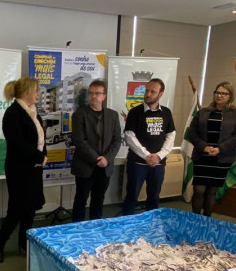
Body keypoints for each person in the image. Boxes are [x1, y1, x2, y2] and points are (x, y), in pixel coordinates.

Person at [0, 78, 47, 262]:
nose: (38, 94)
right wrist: (39, 157)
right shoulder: (12, 113)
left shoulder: (33, 112)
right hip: (19, 170)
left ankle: (24, 244)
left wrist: (43, 157)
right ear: (26, 92)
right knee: (15, 209)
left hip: (34, 168)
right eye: (36, 90)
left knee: (30, 209)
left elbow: (41, 139)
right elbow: (17, 144)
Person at [186, 81, 236, 217]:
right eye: (217, 93)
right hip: (202, 157)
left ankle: (207, 219)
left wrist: (220, 149)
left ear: (230, 96)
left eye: (224, 93)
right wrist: (204, 147)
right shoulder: (203, 112)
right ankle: (195, 219)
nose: (219, 96)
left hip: (221, 158)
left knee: (212, 191)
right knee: (199, 190)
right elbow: (192, 133)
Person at [121, 78, 176, 215]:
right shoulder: (135, 112)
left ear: (160, 94)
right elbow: (129, 136)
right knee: (131, 197)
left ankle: (152, 225)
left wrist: (159, 156)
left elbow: (171, 135)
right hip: (137, 163)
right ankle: (128, 225)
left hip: (158, 164)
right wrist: (147, 155)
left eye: (153, 91)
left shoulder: (166, 113)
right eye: (147, 91)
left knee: (154, 197)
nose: (148, 94)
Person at [71, 79, 122, 222]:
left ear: (104, 96)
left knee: (99, 198)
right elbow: (79, 141)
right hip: (85, 165)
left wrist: (107, 158)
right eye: (91, 93)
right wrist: (97, 159)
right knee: (81, 199)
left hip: (105, 166)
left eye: (97, 93)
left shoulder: (113, 115)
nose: (93, 96)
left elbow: (117, 140)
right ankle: (77, 229)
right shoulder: (79, 115)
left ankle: (95, 227)